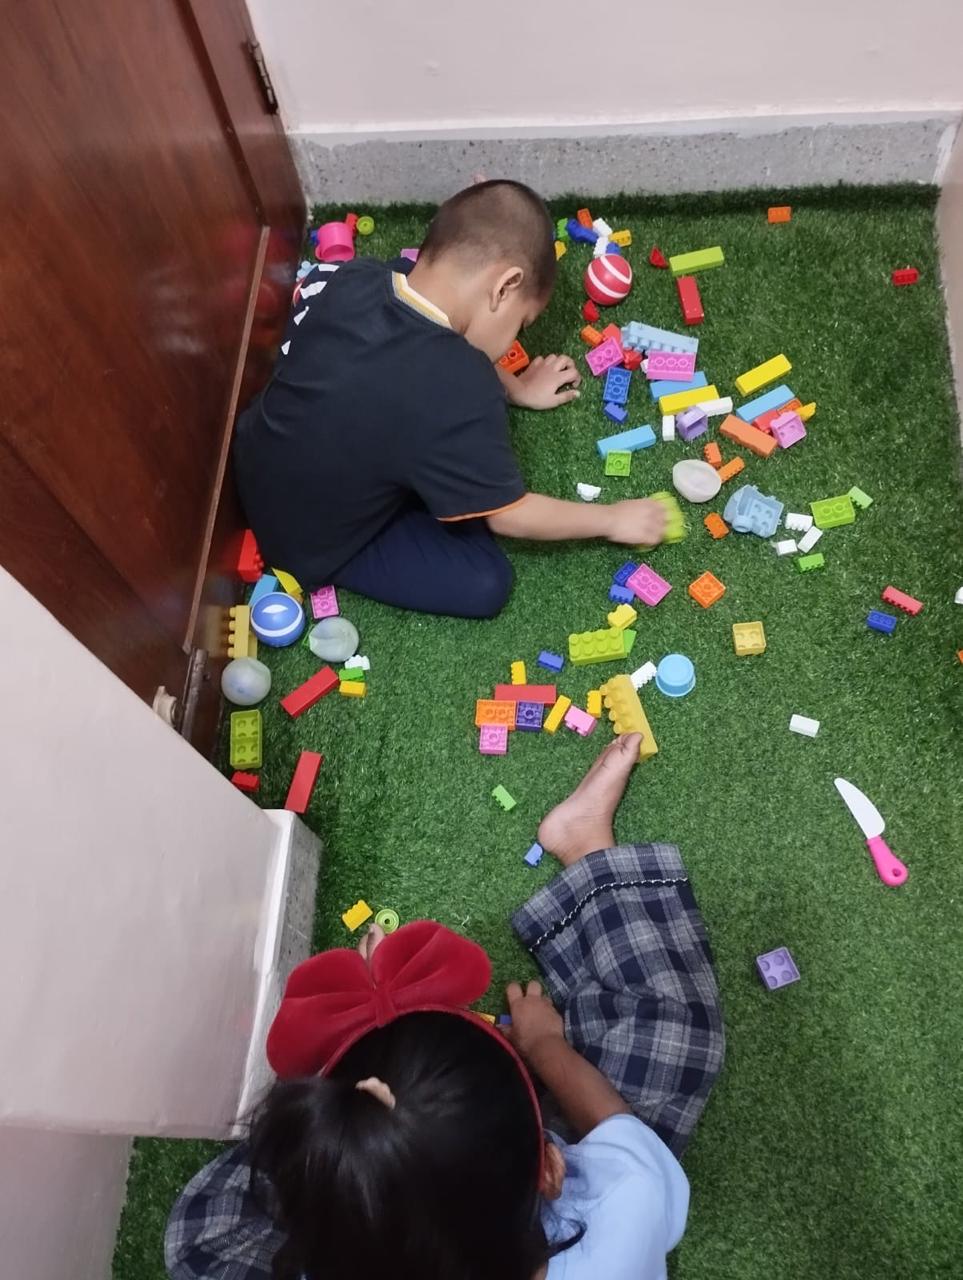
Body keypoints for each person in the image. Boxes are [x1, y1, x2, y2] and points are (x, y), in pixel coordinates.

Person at [165, 735, 724, 1280]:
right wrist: (545, 1047)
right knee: (678, 1039)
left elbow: (201, 1240)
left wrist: (337, 1154)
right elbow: (619, 1131)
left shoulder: (337, 1245)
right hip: (529, 1179)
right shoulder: (627, 1211)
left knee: (209, 1236)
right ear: (550, 1168)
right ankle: (583, 845)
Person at [233, 180, 666, 619]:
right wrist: (613, 519)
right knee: (485, 580)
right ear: (505, 286)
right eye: (521, 325)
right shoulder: (462, 388)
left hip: (254, 458)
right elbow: (510, 515)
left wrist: (518, 388)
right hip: (307, 541)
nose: (511, 344)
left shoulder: (355, 277)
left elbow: (436, 335)